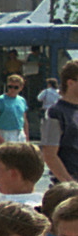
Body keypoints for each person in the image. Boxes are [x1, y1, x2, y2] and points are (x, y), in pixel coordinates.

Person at [41, 61, 78, 189]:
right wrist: (71, 185)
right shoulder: (55, 112)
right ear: (70, 83)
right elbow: (49, 154)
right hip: (69, 187)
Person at [0, 73, 29, 145]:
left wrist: (26, 136)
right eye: (10, 87)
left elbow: (24, 120)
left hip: (20, 132)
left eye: (15, 87)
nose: (12, 89)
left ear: (21, 87)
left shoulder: (22, 100)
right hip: (5, 133)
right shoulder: (0, 100)